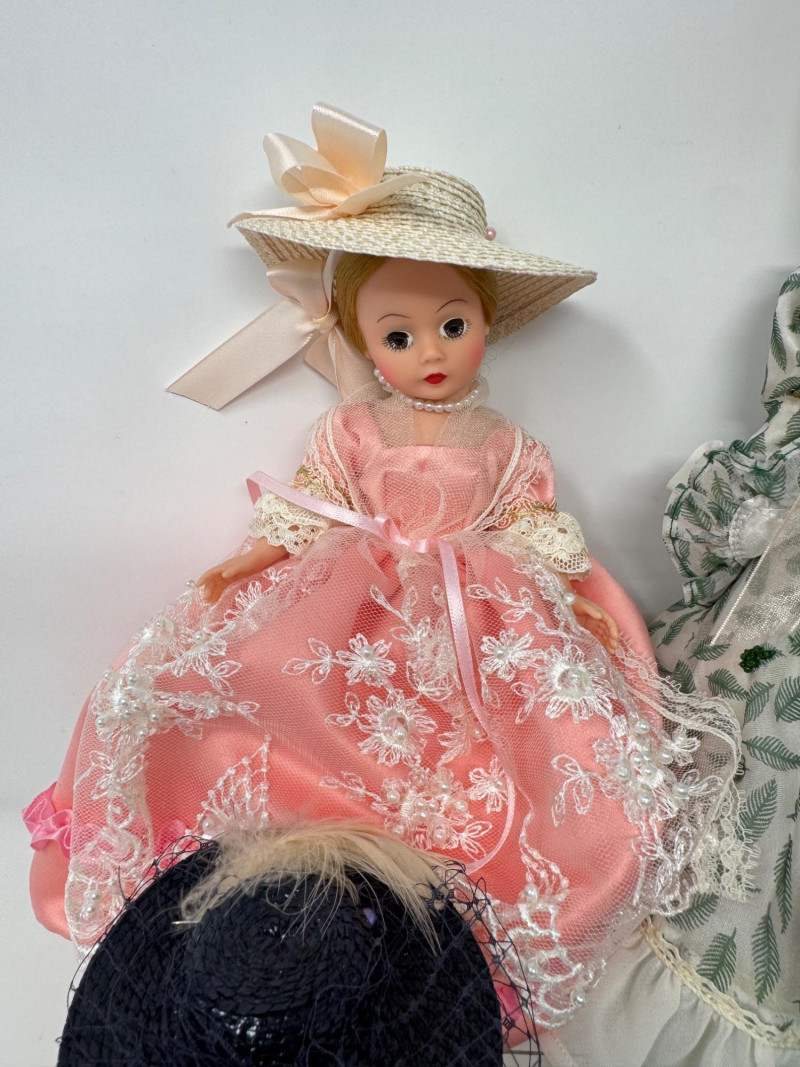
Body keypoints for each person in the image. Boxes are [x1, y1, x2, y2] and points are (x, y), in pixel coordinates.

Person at [24, 103, 745, 1032]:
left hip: (481, 610)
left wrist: (581, 601)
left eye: (452, 324)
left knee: (503, 747)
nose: (429, 351)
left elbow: (531, 524)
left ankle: (459, 926)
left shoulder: (506, 441)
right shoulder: (351, 428)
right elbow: (312, 502)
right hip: (353, 597)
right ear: (364, 342)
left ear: (487, 321)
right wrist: (251, 559)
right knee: (276, 690)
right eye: (398, 335)